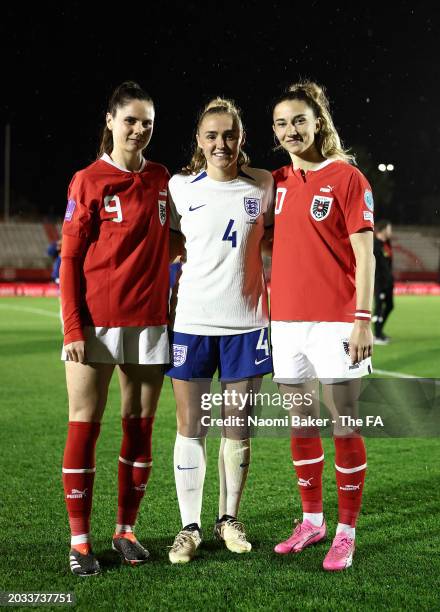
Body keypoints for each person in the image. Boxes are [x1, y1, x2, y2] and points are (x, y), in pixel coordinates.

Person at [60, 81, 170, 576]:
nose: (139, 129)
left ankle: (125, 530)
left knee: (139, 428)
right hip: (96, 323)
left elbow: (179, 239)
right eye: (130, 120)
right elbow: (70, 257)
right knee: (85, 424)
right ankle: (79, 541)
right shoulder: (87, 180)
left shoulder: (163, 179)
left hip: (148, 322)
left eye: (147, 121)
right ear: (110, 121)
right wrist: (71, 328)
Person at [270, 81, 375, 571]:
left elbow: (364, 253)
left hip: (336, 320)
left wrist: (362, 320)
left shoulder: (348, 177)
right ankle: (311, 521)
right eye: (281, 123)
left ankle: (345, 531)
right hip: (285, 321)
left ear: (318, 123)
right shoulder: (277, 183)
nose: (291, 130)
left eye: (298, 121)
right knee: (301, 422)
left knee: (344, 422)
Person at [166, 97, 274, 564]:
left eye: (229, 134)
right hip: (192, 323)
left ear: (241, 138)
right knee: (191, 427)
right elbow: (168, 246)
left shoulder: (264, 185)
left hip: (247, 325)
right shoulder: (179, 187)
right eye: (211, 135)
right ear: (199, 140)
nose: (221, 143)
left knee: (237, 429)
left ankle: (228, 517)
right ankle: (188, 527)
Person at [373, 219, 394, 344]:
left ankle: (380, 332)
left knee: (390, 306)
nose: (391, 231)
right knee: (379, 307)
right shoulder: (375, 244)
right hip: (379, 282)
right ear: (384, 230)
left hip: (388, 281)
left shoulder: (387, 243)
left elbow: (387, 264)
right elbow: (377, 266)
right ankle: (377, 334)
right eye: (389, 229)